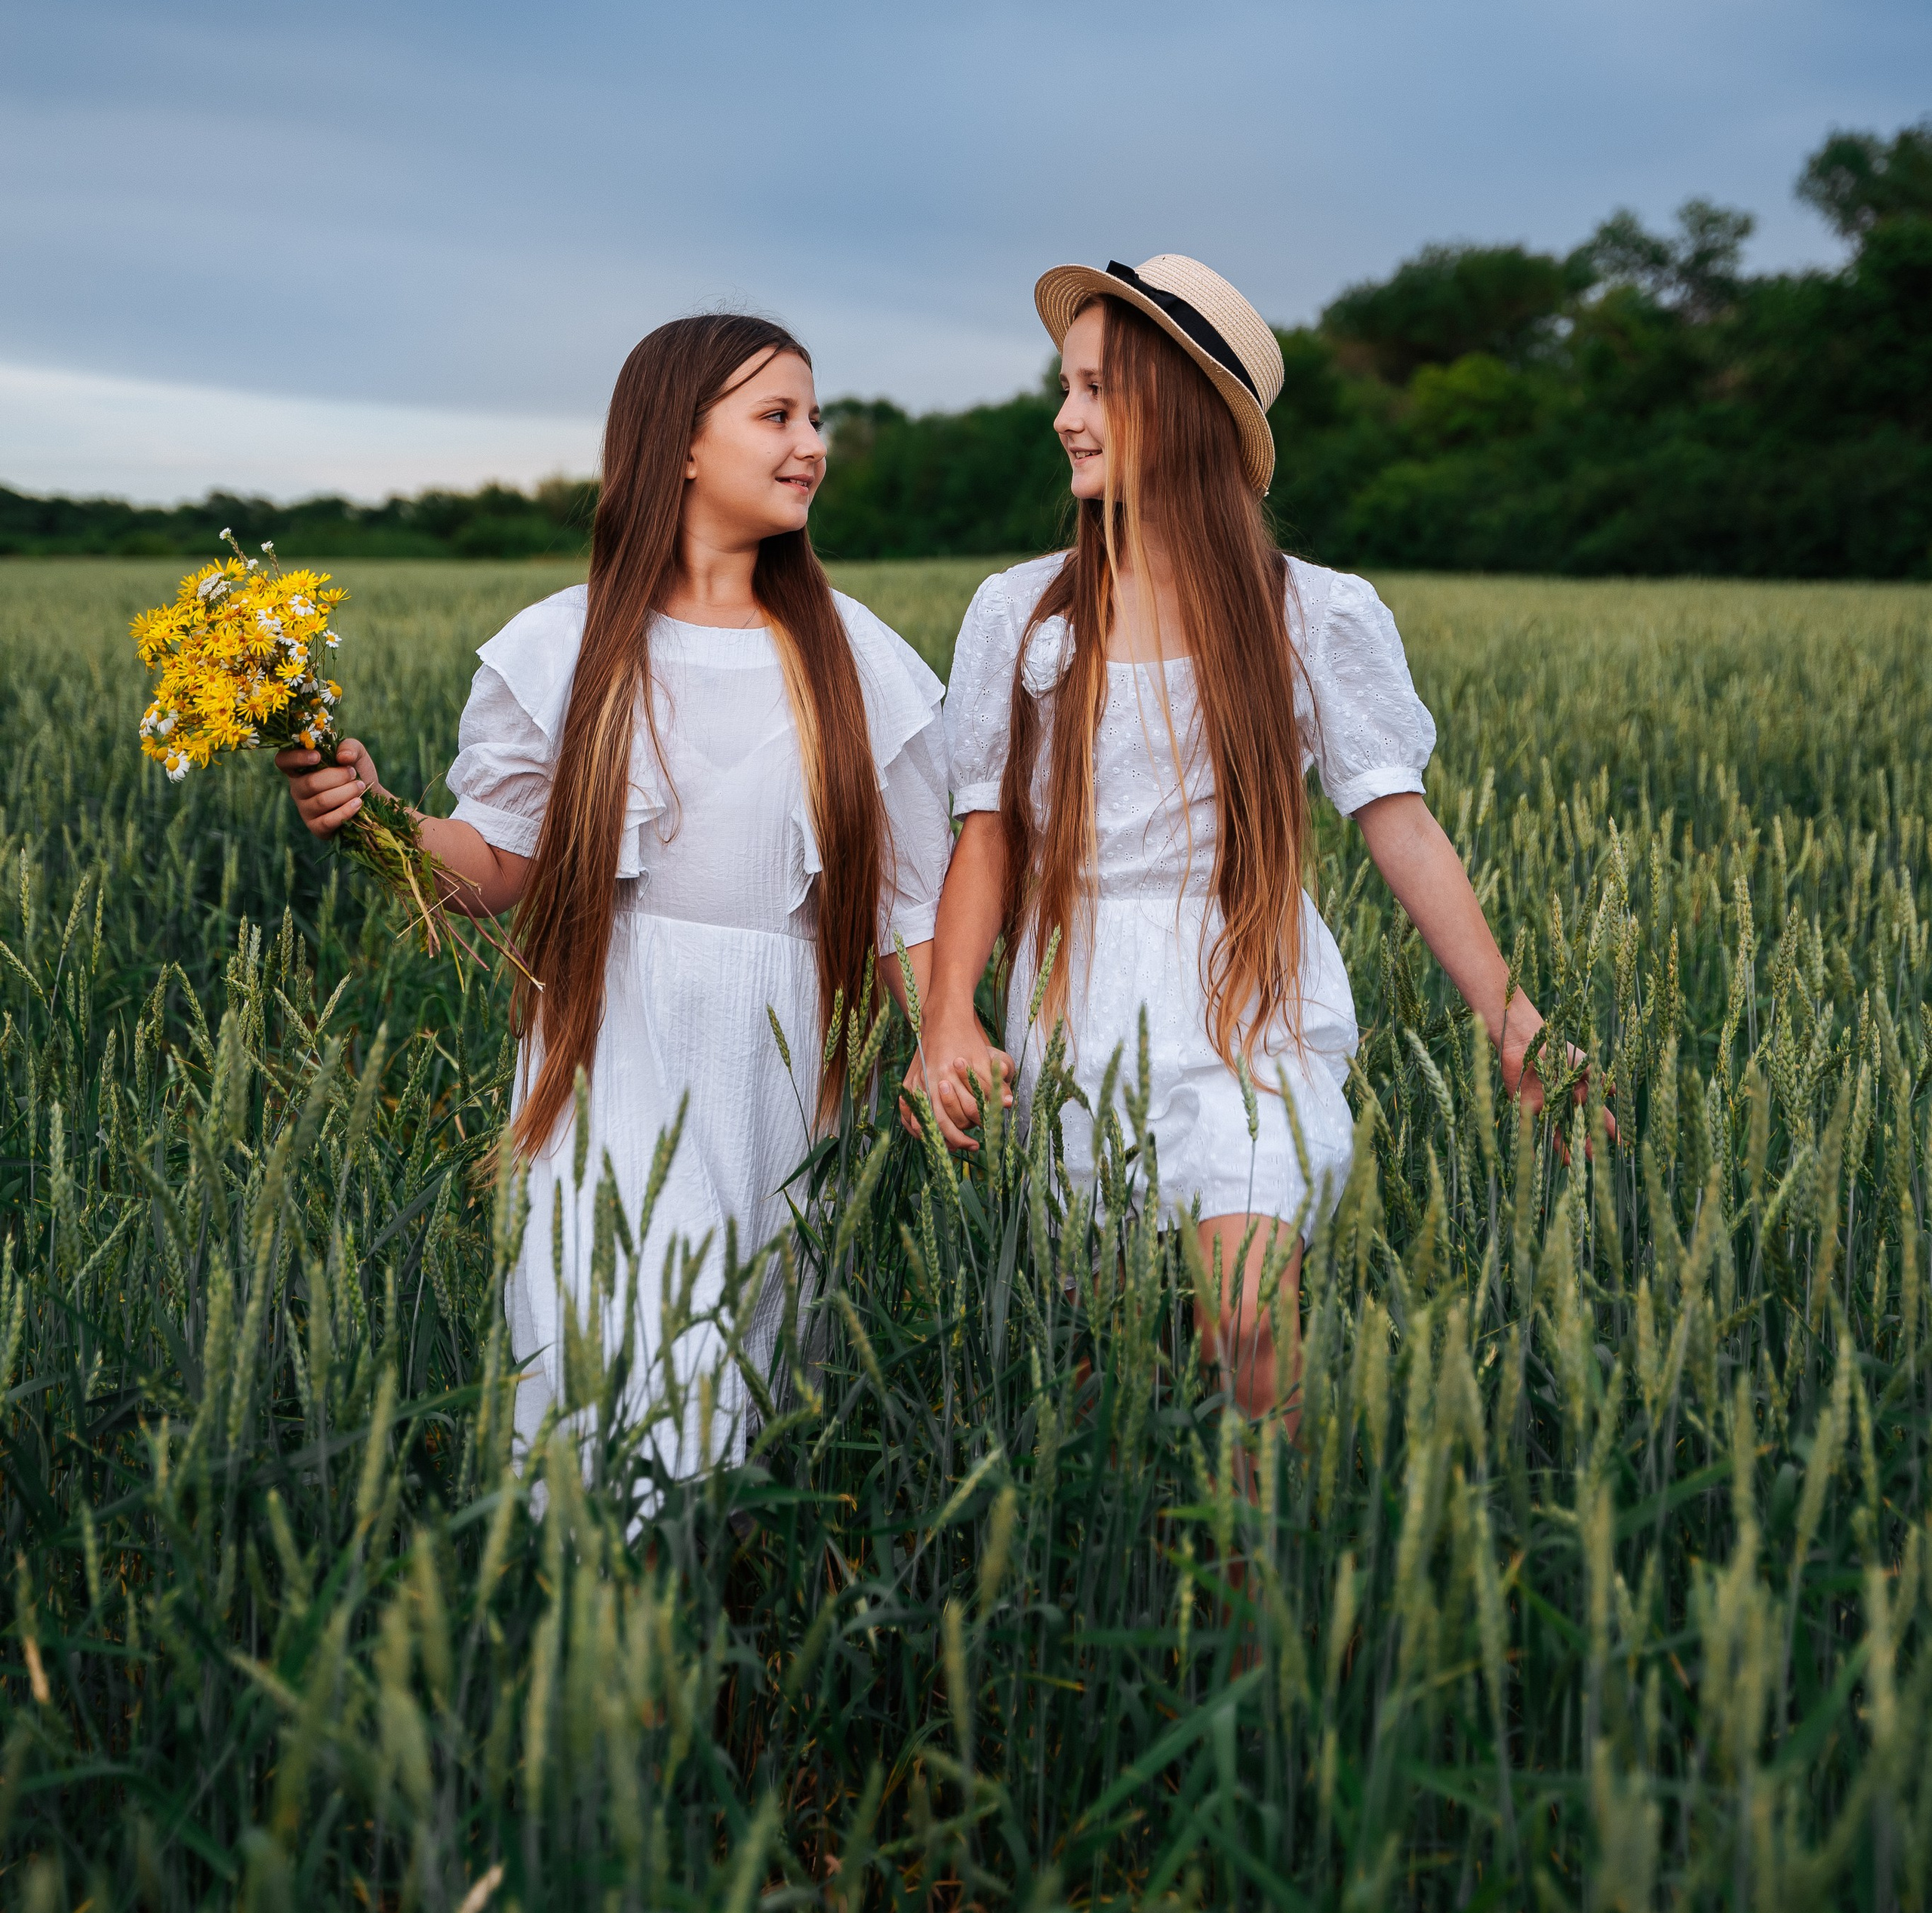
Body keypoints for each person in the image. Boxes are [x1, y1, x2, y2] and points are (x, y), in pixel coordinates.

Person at [909, 254, 1580, 1435]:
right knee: (1101, 1367)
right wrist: (948, 1018)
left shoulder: (1312, 614)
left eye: (1097, 389)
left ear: (1182, 408)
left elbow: (1401, 824)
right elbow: (987, 836)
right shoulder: (1021, 613)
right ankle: (1154, 1588)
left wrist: (1510, 1015)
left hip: (1249, 1001)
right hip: (1077, 1008)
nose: (1065, 419)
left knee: (1249, 1329)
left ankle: (1272, 1605)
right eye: (1063, 389)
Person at [281, 314, 950, 1477]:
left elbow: (906, 919)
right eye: (778, 415)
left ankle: (699, 1643)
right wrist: (377, 818)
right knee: (617, 1372)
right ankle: (587, 1628)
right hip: (607, 1047)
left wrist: (953, 1048)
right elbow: (493, 874)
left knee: (751, 1390)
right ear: (680, 443)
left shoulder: (862, 662)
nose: (814, 445)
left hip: (786, 1063)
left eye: (816, 417)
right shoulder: (565, 645)